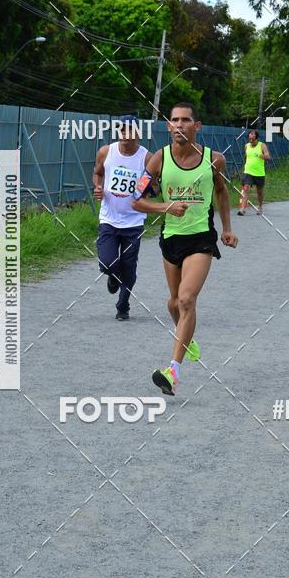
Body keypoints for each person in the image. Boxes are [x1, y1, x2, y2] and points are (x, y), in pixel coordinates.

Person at [131, 102, 238, 395]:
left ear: (197, 126)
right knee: (173, 303)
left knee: (187, 299)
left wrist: (227, 229)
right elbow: (136, 201)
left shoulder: (214, 160)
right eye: (174, 120)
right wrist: (166, 206)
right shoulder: (157, 160)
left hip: (201, 238)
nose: (179, 125)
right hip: (171, 237)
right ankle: (187, 339)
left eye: (185, 120)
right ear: (168, 126)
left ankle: (173, 371)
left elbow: (221, 190)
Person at [93, 116, 151, 319]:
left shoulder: (146, 158)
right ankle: (112, 276)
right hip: (109, 218)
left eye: (130, 130)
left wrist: (148, 190)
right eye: (122, 129)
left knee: (129, 266)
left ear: (138, 133)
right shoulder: (106, 151)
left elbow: (152, 184)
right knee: (107, 262)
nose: (125, 134)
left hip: (134, 221)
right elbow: (98, 172)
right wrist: (98, 186)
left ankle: (123, 306)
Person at [237, 129, 271, 215]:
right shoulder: (246, 146)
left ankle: (260, 207)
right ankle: (242, 208)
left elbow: (268, 157)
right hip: (248, 171)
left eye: (252, 136)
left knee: (259, 191)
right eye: (250, 137)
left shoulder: (262, 145)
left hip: (259, 173)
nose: (250, 138)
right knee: (246, 188)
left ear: (256, 137)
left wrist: (260, 155)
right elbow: (247, 157)